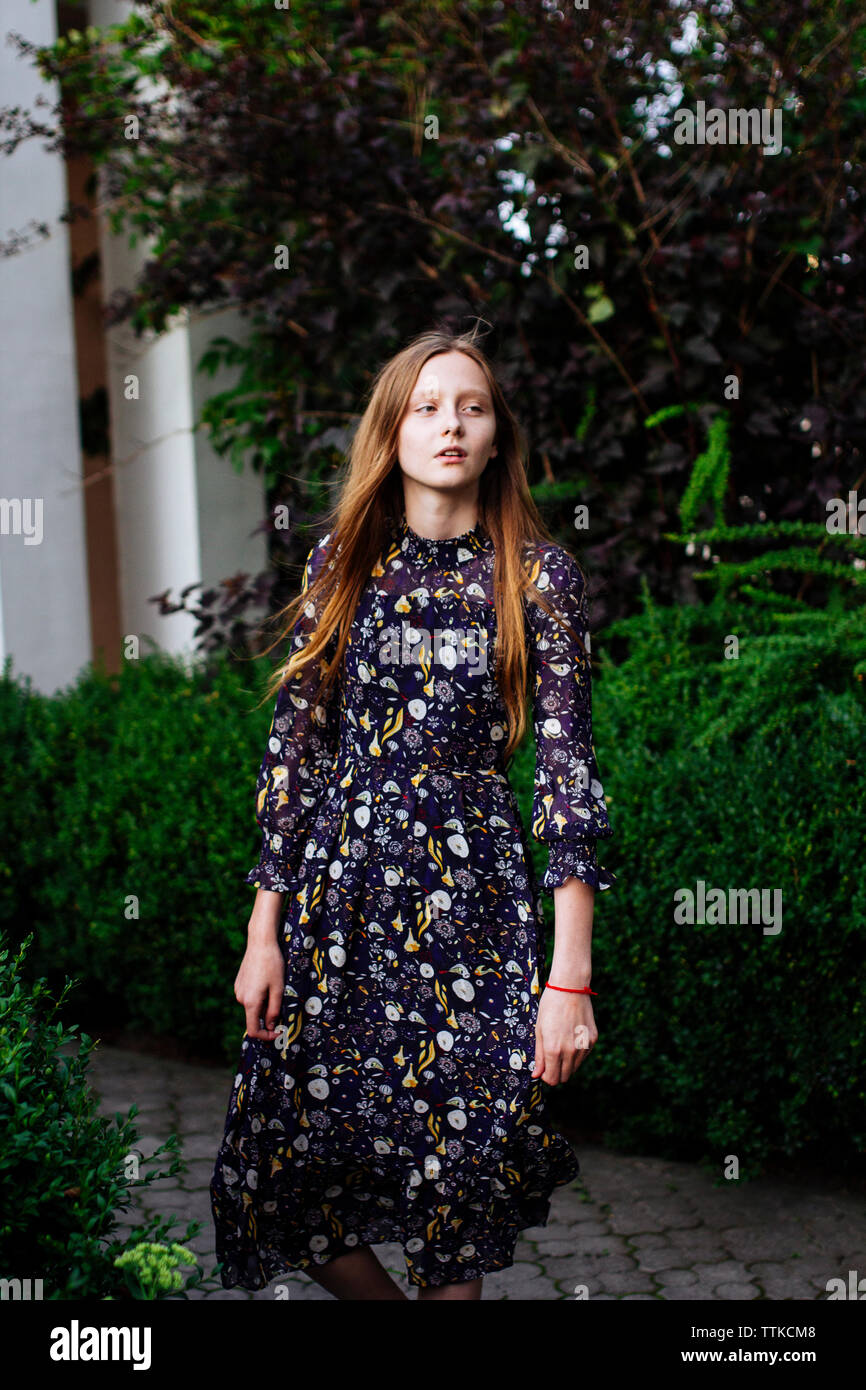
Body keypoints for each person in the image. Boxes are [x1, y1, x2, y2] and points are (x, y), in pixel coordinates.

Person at [209, 327, 616, 1301]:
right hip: (336, 912)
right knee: (277, 1176)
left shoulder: (534, 576)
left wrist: (569, 978)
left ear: (493, 432)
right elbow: (293, 758)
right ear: (391, 432)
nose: (449, 424)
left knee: (455, 1189)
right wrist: (261, 931)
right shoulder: (342, 559)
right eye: (427, 406)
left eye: (469, 406)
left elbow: (567, 778)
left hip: (474, 917)